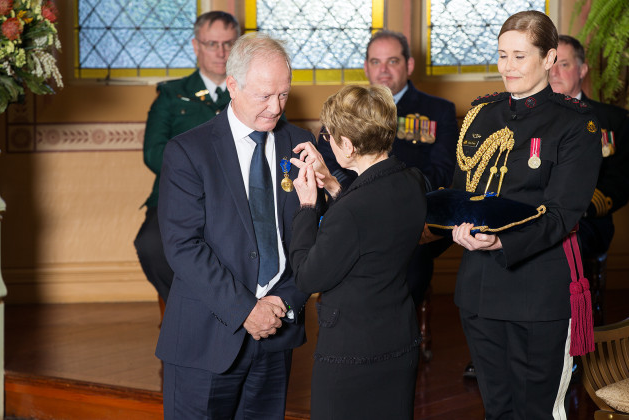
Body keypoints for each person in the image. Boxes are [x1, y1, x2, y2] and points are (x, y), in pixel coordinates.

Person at [447, 11, 601, 419]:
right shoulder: (481, 115)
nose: (508, 67)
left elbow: (562, 213)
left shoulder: (575, 124)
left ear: (550, 58)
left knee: (535, 412)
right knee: (497, 410)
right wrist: (456, 227)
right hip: (479, 290)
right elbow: (464, 193)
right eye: (502, 56)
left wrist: (502, 239)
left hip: (537, 291)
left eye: (519, 56)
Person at [155, 33, 313, 420]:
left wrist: (284, 301)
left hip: (277, 332)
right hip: (205, 337)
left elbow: (313, 236)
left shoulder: (301, 144)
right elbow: (183, 246)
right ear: (233, 86)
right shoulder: (188, 152)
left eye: (283, 94)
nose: (275, 108)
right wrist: (246, 309)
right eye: (263, 96)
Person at [289, 84, 427, 420]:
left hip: (353, 352)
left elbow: (308, 276)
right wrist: (334, 185)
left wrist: (308, 205)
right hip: (398, 340)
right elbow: (372, 222)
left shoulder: (351, 213)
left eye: (330, 136)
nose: (328, 142)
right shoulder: (412, 181)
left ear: (348, 146)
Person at [316, 29, 457, 324]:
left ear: (409, 65)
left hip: (412, 221)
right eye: (375, 62)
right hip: (352, 214)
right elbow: (330, 164)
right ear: (366, 67)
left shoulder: (438, 111)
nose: (383, 70)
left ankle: (394, 338)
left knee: (406, 280)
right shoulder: (341, 111)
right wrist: (363, 200)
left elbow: (441, 171)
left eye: (392, 61)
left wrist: (396, 201)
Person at [134, 11, 240, 309]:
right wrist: (201, 180)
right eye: (211, 44)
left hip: (238, 197)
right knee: (151, 246)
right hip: (177, 196)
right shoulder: (171, 95)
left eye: (228, 43)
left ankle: (232, 310)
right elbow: (153, 153)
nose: (221, 52)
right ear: (196, 46)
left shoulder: (255, 92)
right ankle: (190, 309)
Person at [549, 34, 629, 266]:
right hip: (534, 215)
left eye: (563, 64)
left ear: (582, 70)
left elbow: (621, 180)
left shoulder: (614, 120)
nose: (554, 72)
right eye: (550, 63)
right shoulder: (524, 119)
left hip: (586, 221)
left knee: (556, 248)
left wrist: (575, 208)